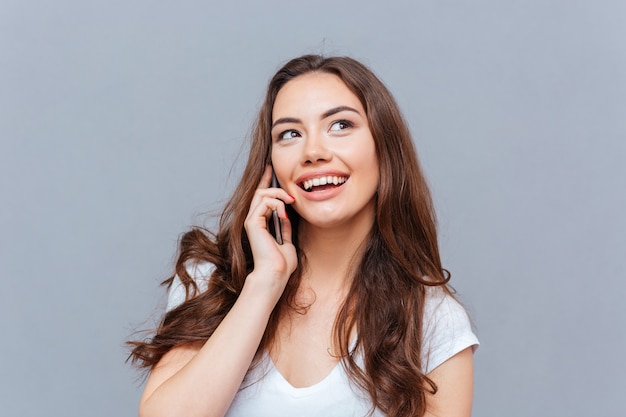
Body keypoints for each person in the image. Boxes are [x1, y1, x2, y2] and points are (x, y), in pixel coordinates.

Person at [128, 54, 479, 417]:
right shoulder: (213, 279)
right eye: (290, 134)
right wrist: (264, 284)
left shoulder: (434, 319)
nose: (313, 152)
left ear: (384, 148)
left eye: (341, 125)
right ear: (272, 164)